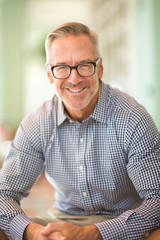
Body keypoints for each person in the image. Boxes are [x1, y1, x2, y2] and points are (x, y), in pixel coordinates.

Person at [0, 22, 159, 240]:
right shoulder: (37, 123)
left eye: (84, 65)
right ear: (49, 74)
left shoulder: (132, 119)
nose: (74, 79)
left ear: (100, 68)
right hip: (62, 222)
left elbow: (157, 199)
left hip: (121, 226)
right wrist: (32, 232)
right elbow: (4, 195)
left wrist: (93, 234)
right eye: (62, 67)